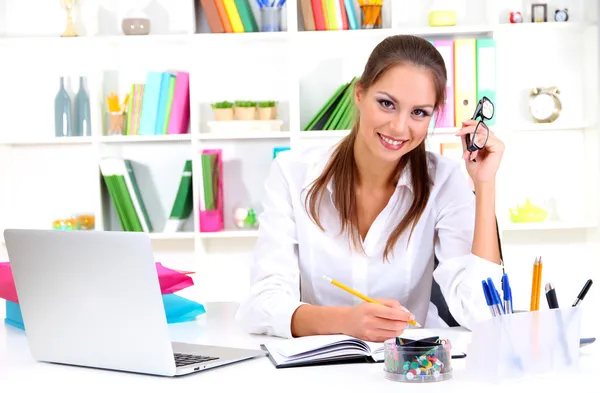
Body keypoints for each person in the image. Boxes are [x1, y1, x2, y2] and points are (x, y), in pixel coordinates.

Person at [235, 34, 505, 343]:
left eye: (419, 112)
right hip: (321, 368)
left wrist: (484, 185)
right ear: (360, 94)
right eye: (387, 104)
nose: (400, 128)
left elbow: (484, 313)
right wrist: (345, 321)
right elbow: (261, 305)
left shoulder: (445, 180)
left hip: (411, 367)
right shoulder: (293, 173)